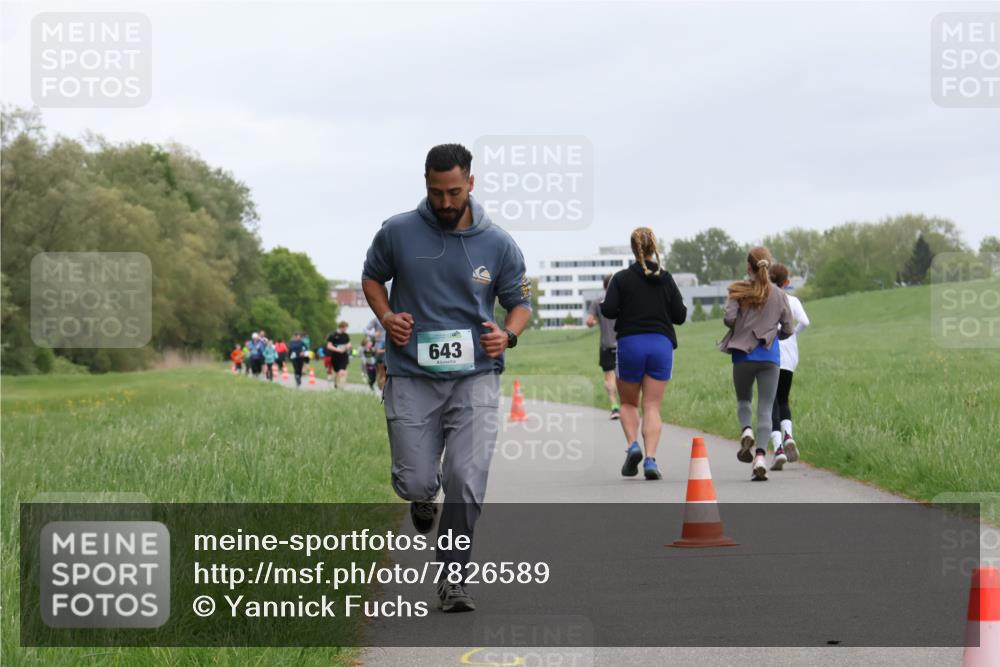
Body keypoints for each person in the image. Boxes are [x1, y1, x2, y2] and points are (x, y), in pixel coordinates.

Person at [362, 143, 531, 613]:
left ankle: (453, 577)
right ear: (426, 185)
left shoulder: (498, 242)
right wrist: (387, 315)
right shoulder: (397, 232)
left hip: (475, 374)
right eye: (436, 193)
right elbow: (372, 278)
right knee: (417, 480)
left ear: (470, 183)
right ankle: (421, 496)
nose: (445, 203)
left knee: (466, 476)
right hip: (412, 374)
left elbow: (520, 302)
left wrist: (507, 335)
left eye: (454, 192)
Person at [600, 227, 686, 481]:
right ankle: (650, 458)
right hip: (661, 345)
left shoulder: (622, 278)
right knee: (652, 405)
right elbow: (679, 316)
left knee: (627, 403)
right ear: (654, 247)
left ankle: (633, 446)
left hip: (631, 344)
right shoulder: (666, 278)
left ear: (632, 248)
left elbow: (609, 310)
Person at [718, 246, 794, 481]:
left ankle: (746, 431)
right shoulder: (780, 295)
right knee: (765, 408)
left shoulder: (738, 290)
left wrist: (742, 326)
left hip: (742, 356)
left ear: (748, 267)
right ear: (767, 265)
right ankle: (760, 458)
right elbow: (789, 328)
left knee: (744, 400)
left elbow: (729, 318)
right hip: (770, 357)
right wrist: (773, 336)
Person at [768, 263, 810, 470]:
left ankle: (778, 449)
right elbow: (806, 322)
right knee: (784, 399)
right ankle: (789, 435)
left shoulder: (766, 300)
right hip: (790, 356)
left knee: (770, 403)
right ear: (787, 282)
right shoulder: (793, 301)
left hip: (770, 355)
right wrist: (792, 334)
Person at [585, 274, 621, 420]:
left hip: (606, 345)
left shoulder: (597, 302)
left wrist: (597, 322)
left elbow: (588, 322)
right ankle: (628, 406)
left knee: (609, 377)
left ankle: (614, 407)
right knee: (624, 377)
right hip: (623, 344)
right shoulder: (622, 300)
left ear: (604, 285)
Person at [326, 321, 353, 389]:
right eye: (345, 328)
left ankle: (341, 387)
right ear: (341, 327)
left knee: (342, 372)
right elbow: (329, 346)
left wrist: (348, 346)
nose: (346, 330)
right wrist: (338, 350)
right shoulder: (333, 335)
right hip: (335, 356)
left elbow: (349, 343)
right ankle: (336, 385)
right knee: (337, 372)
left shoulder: (346, 335)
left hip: (344, 356)